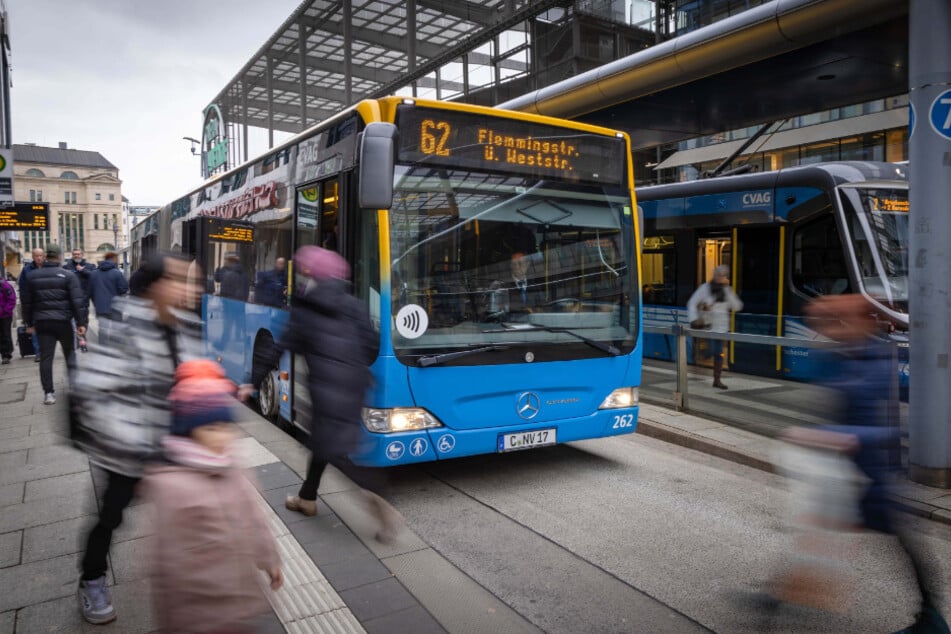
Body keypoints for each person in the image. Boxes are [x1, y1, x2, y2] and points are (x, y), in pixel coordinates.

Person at [69, 252, 202, 625]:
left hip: (171, 448)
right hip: (125, 451)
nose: (191, 289)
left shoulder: (188, 324)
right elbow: (93, 391)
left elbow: (191, 384)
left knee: (187, 517)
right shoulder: (122, 324)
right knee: (110, 518)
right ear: (156, 287)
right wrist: (141, 447)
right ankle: (91, 578)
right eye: (180, 280)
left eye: (192, 280)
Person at [802, 294, 949, 634]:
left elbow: (893, 428)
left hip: (875, 476)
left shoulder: (880, 360)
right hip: (846, 474)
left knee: (904, 544)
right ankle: (776, 597)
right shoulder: (843, 358)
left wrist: (845, 436)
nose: (830, 330)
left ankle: (932, 618)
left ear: (863, 322)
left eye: (839, 322)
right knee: (818, 533)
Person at [248, 246, 402, 542]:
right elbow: (371, 344)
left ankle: (382, 504)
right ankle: (307, 498)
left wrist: (252, 382)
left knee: (335, 450)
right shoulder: (353, 304)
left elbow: (279, 349)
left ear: (309, 274)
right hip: (354, 385)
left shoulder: (305, 307)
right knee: (322, 442)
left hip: (326, 387)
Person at [145, 359, 282, 633]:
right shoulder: (171, 486)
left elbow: (254, 520)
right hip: (197, 612)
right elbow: (164, 560)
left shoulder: (232, 467)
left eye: (225, 426)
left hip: (240, 601)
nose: (221, 437)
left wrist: (269, 559)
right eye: (210, 428)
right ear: (188, 430)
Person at [21, 244, 87, 405]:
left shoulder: (32, 277)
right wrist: (81, 323)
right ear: (59, 257)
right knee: (70, 355)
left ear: (45, 257)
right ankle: (73, 387)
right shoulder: (68, 275)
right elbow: (76, 302)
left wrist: (29, 323)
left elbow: (27, 303)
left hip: (43, 323)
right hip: (63, 322)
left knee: (46, 358)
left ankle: (49, 393)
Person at [686, 264, 743, 389]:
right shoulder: (705, 288)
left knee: (719, 353)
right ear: (714, 275)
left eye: (723, 275)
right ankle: (702, 353)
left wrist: (729, 296)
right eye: (718, 275)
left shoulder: (727, 290)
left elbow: (738, 306)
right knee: (713, 350)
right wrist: (694, 319)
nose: (720, 277)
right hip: (708, 326)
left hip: (721, 328)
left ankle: (717, 380)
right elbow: (692, 303)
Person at [18, 248, 45, 360]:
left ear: (44, 256)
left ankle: (46, 351)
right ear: (33, 257)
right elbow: (23, 289)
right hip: (33, 305)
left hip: (47, 303)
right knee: (35, 329)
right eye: (36, 255)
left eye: (40, 255)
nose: (39, 258)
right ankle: (38, 353)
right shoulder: (27, 270)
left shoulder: (48, 268)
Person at [88, 251, 129, 321]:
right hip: (115, 307)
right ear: (114, 259)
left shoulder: (94, 274)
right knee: (116, 329)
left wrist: (96, 303)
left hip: (100, 307)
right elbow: (124, 289)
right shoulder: (117, 273)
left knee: (103, 330)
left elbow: (90, 291)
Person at [0, 273, 15, 364]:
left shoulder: (4, 285)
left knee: (5, 334)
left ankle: (6, 354)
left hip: (5, 316)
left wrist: (6, 311)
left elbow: (11, 299)